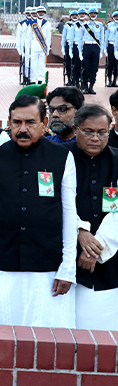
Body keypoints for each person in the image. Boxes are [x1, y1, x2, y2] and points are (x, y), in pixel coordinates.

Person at [0, 95, 77, 328]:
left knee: (47, 339)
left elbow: (69, 212)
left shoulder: (61, 157)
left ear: (44, 122)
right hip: (1, 263)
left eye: (30, 123)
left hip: (48, 267)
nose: (23, 129)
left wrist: (67, 267)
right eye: (16, 122)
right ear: (9, 122)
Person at [66, 105, 118, 330]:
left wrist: (97, 248)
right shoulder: (59, 158)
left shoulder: (117, 159)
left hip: (110, 261)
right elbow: (53, 203)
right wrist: (80, 231)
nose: (96, 138)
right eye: (88, 132)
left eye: (102, 132)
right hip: (65, 257)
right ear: (76, 129)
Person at [78, 7, 103, 95]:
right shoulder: (84, 25)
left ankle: (91, 86)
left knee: (94, 68)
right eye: (91, 13)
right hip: (87, 46)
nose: (93, 15)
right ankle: (85, 86)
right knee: (86, 67)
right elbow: (80, 39)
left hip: (96, 47)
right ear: (88, 15)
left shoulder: (100, 25)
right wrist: (80, 51)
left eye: (94, 14)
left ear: (96, 15)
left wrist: (101, 51)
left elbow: (101, 39)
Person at [28, 6, 51, 85]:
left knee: (41, 64)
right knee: (33, 64)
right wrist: (28, 49)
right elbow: (29, 37)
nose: (41, 13)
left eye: (42, 12)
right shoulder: (32, 23)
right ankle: (33, 80)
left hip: (43, 46)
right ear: (37, 13)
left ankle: (40, 80)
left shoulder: (47, 23)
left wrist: (47, 48)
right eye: (39, 12)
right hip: (34, 44)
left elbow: (48, 37)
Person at [71, 9, 87, 89]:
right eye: (80, 14)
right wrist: (70, 48)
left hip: (85, 46)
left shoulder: (88, 25)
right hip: (76, 46)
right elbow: (71, 37)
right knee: (77, 65)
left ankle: (84, 82)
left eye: (83, 14)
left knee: (85, 66)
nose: (82, 15)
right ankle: (76, 82)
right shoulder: (74, 25)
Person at [62, 10, 78, 86]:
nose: (74, 17)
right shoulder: (67, 25)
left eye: (76, 15)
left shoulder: (80, 24)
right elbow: (63, 36)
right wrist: (62, 46)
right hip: (68, 44)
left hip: (76, 44)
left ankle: (75, 79)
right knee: (68, 62)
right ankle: (69, 78)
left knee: (76, 62)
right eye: (73, 15)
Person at [105, 11, 118, 87]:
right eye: (115, 16)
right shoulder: (109, 25)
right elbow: (106, 37)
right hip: (111, 45)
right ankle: (109, 80)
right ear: (113, 17)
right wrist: (105, 48)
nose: (117, 18)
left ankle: (114, 81)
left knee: (116, 65)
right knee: (110, 64)